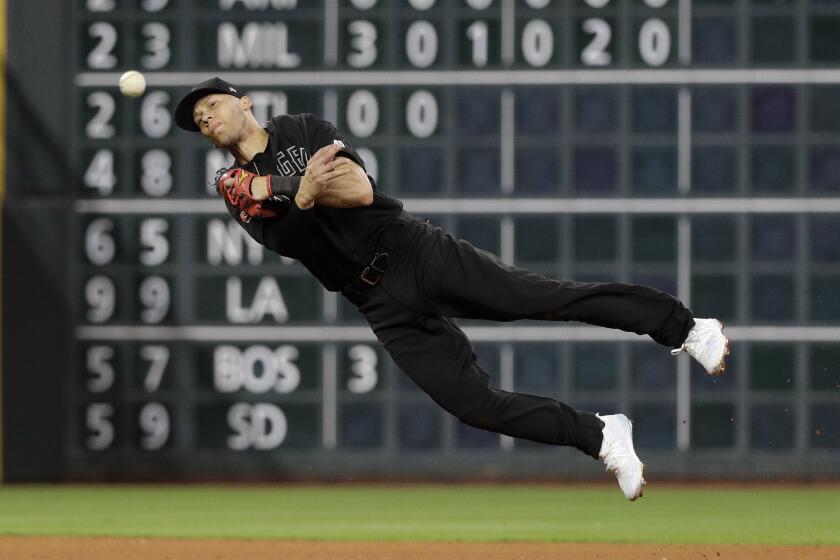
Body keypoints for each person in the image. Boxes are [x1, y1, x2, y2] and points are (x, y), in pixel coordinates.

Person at [175, 77, 729, 501]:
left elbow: (361, 190)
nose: (207, 119)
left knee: (546, 297)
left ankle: (686, 327)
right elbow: (290, 240)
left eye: (212, 106)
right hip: (374, 300)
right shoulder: (233, 187)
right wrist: (304, 192)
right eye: (199, 120)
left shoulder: (302, 129)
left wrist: (298, 191)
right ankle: (602, 435)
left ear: (242, 101)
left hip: (415, 251)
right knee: (472, 405)